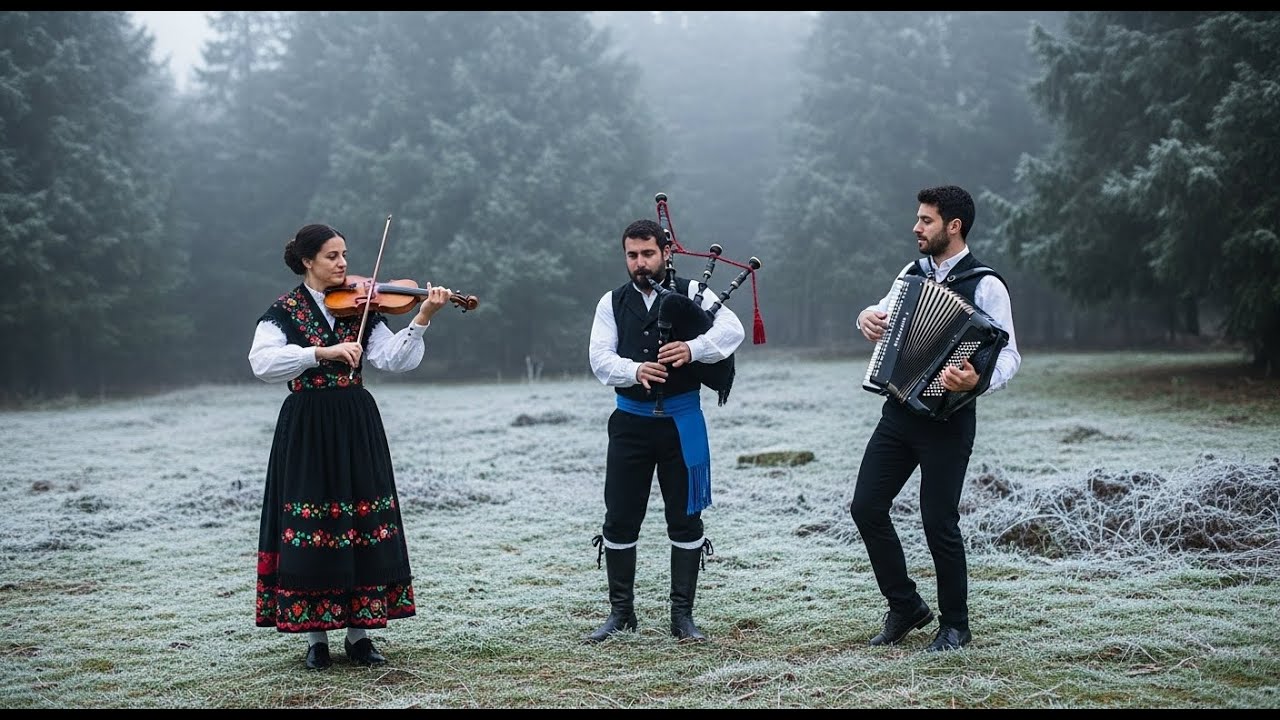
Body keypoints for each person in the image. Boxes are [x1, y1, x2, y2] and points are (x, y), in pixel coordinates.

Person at [248, 223, 456, 670]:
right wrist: (319, 353)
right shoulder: (282, 312)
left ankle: (360, 637)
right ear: (307, 261)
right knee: (312, 519)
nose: (343, 264)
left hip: (356, 421)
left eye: (344, 255)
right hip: (306, 424)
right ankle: (316, 639)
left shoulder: (363, 307)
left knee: (361, 517)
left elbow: (393, 359)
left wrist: (422, 317)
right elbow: (262, 363)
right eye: (331, 256)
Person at [851, 185, 1021, 652]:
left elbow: (1009, 355)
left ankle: (956, 626)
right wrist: (866, 317)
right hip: (899, 410)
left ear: (954, 226)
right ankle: (905, 605)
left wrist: (977, 383)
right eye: (918, 218)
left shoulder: (987, 284)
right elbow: (880, 313)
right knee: (865, 507)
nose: (916, 227)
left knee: (937, 521)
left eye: (925, 220)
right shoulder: (912, 273)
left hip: (949, 421)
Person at [585, 218, 745, 644]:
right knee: (619, 518)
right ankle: (621, 615)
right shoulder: (612, 302)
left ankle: (683, 618)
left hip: (681, 422)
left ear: (666, 253)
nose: (640, 263)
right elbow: (600, 360)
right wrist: (635, 369)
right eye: (632, 255)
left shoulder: (694, 293)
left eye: (648, 254)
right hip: (630, 425)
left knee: (686, 519)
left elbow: (733, 330)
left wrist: (693, 348)